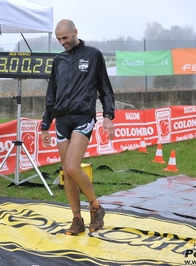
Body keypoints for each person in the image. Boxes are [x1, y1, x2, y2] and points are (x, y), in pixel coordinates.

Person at [40, 19, 115, 236]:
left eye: (65, 37)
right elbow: (51, 95)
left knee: (72, 166)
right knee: (66, 172)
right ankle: (77, 219)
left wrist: (108, 116)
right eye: (59, 39)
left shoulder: (93, 55)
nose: (62, 42)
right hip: (62, 120)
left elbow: (105, 90)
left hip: (83, 117)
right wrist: (46, 124)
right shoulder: (58, 60)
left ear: (75, 32)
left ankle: (96, 207)